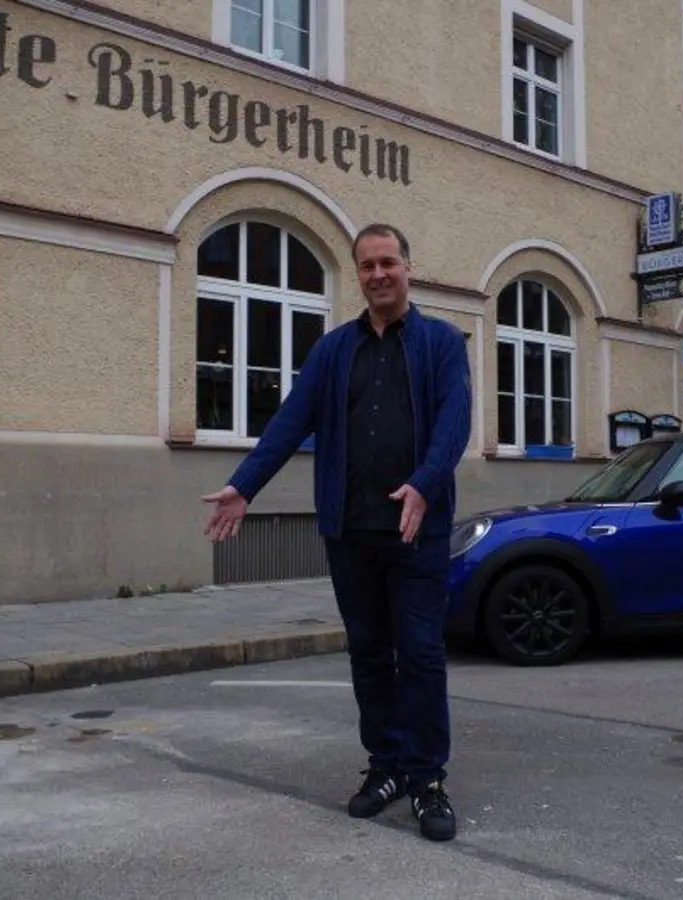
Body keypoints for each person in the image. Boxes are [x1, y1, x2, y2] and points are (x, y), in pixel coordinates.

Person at [202, 222, 472, 842]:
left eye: (388, 262)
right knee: (369, 654)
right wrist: (245, 485)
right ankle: (387, 765)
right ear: (358, 274)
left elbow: (455, 422)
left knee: (421, 655)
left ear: (408, 267)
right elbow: (290, 420)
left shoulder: (440, 343)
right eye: (367, 266)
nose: (378, 275)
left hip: (416, 529)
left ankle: (427, 778)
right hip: (350, 530)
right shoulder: (333, 350)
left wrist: (425, 483)